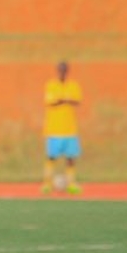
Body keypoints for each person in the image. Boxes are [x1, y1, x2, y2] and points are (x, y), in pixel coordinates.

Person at [42, 60, 83, 194]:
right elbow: (51, 101)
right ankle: (47, 183)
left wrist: (63, 99)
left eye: (64, 70)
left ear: (67, 71)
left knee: (70, 158)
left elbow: (77, 100)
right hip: (54, 129)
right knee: (51, 157)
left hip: (69, 128)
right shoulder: (51, 85)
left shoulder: (73, 85)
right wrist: (65, 99)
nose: (62, 72)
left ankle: (71, 184)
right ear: (57, 70)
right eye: (60, 69)